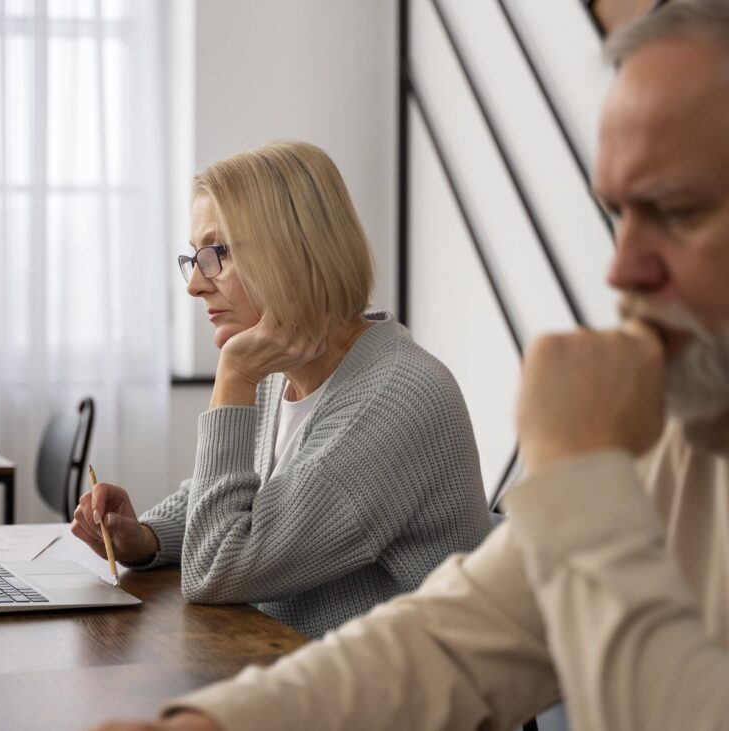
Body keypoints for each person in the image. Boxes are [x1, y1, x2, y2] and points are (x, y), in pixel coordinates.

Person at [85, 1, 729, 729]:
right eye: (618, 215)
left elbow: (221, 563)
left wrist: (580, 476)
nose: (620, 269)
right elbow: (454, 637)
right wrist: (210, 723)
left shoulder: (401, 394)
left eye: (675, 211)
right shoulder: (685, 432)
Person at [71, 140, 492, 639]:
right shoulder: (284, 371)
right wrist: (144, 538)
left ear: (292, 253)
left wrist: (233, 377)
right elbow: (241, 501)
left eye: (217, 254)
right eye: (194, 258)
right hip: (303, 667)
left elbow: (216, 569)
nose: (195, 285)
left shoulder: (395, 399)